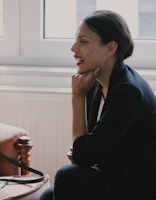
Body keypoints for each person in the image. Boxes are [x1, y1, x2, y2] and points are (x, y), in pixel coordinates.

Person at [40, 10, 156, 200]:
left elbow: (83, 155)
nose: (73, 48)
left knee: (66, 177)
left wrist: (77, 97)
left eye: (83, 42)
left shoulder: (128, 92)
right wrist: (84, 151)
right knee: (47, 196)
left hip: (133, 185)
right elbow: (87, 150)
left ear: (110, 48)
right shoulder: (97, 82)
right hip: (112, 173)